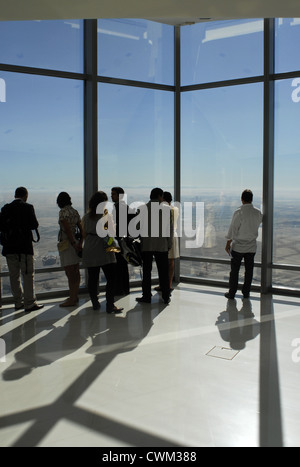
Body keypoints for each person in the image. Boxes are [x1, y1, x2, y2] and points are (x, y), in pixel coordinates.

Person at [0, 187, 43, 312]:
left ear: (15, 195)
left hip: (9, 248)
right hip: (24, 248)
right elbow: (34, 225)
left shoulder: (5, 208)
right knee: (28, 275)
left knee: (14, 276)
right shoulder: (28, 207)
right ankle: (29, 303)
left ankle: (18, 302)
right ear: (26, 196)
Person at [81, 190, 123, 314]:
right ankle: (110, 305)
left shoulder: (86, 217)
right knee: (111, 278)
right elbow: (113, 233)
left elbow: (84, 233)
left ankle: (95, 303)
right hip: (104, 250)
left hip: (90, 248)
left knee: (93, 279)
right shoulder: (106, 216)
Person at [136, 187, 173, 305]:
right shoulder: (166, 210)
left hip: (146, 245)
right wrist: (169, 243)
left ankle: (146, 296)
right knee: (163, 272)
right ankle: (166, 297)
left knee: (146, 272)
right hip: (162, 245)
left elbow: (136, 228)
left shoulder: (142, 209)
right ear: (159, 196)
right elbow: (170, 229)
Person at [225, 189, 263, 300]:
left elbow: (233, 230)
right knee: (249, 271)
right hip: (251, 247)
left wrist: (228, 244)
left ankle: (232, 293)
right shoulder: (258, 212)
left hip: (238, 247)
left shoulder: (238, 212)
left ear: (241, 199)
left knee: (235, 271)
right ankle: (246, 293)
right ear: (251, 199)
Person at [57, 192, 83, 307]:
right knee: (76, 271)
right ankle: (74, 295)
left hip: (68, 244)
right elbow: (82, 230)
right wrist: (79, 243)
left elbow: (67, 230)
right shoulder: (75, 211)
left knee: (69, 272)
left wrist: (72, 243)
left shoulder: (63, 212)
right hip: (76, 243)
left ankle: (72, 299)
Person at [111, 186, 136, 295]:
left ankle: (120, 289)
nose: (111, 196)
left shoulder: (119, 208)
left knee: (119, 265)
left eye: (114, 194)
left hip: (120, 241)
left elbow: (121, 226)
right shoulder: (124, 207)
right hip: (124, 240)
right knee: (122, 265)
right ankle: (124, 288)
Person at [154, 191, 179, 291]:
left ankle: (163, 284)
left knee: (164, 262)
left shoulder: (165, 210)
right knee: (171, 261)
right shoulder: (175, 209)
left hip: (166, 236)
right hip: (174, 235)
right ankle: (168, 284)